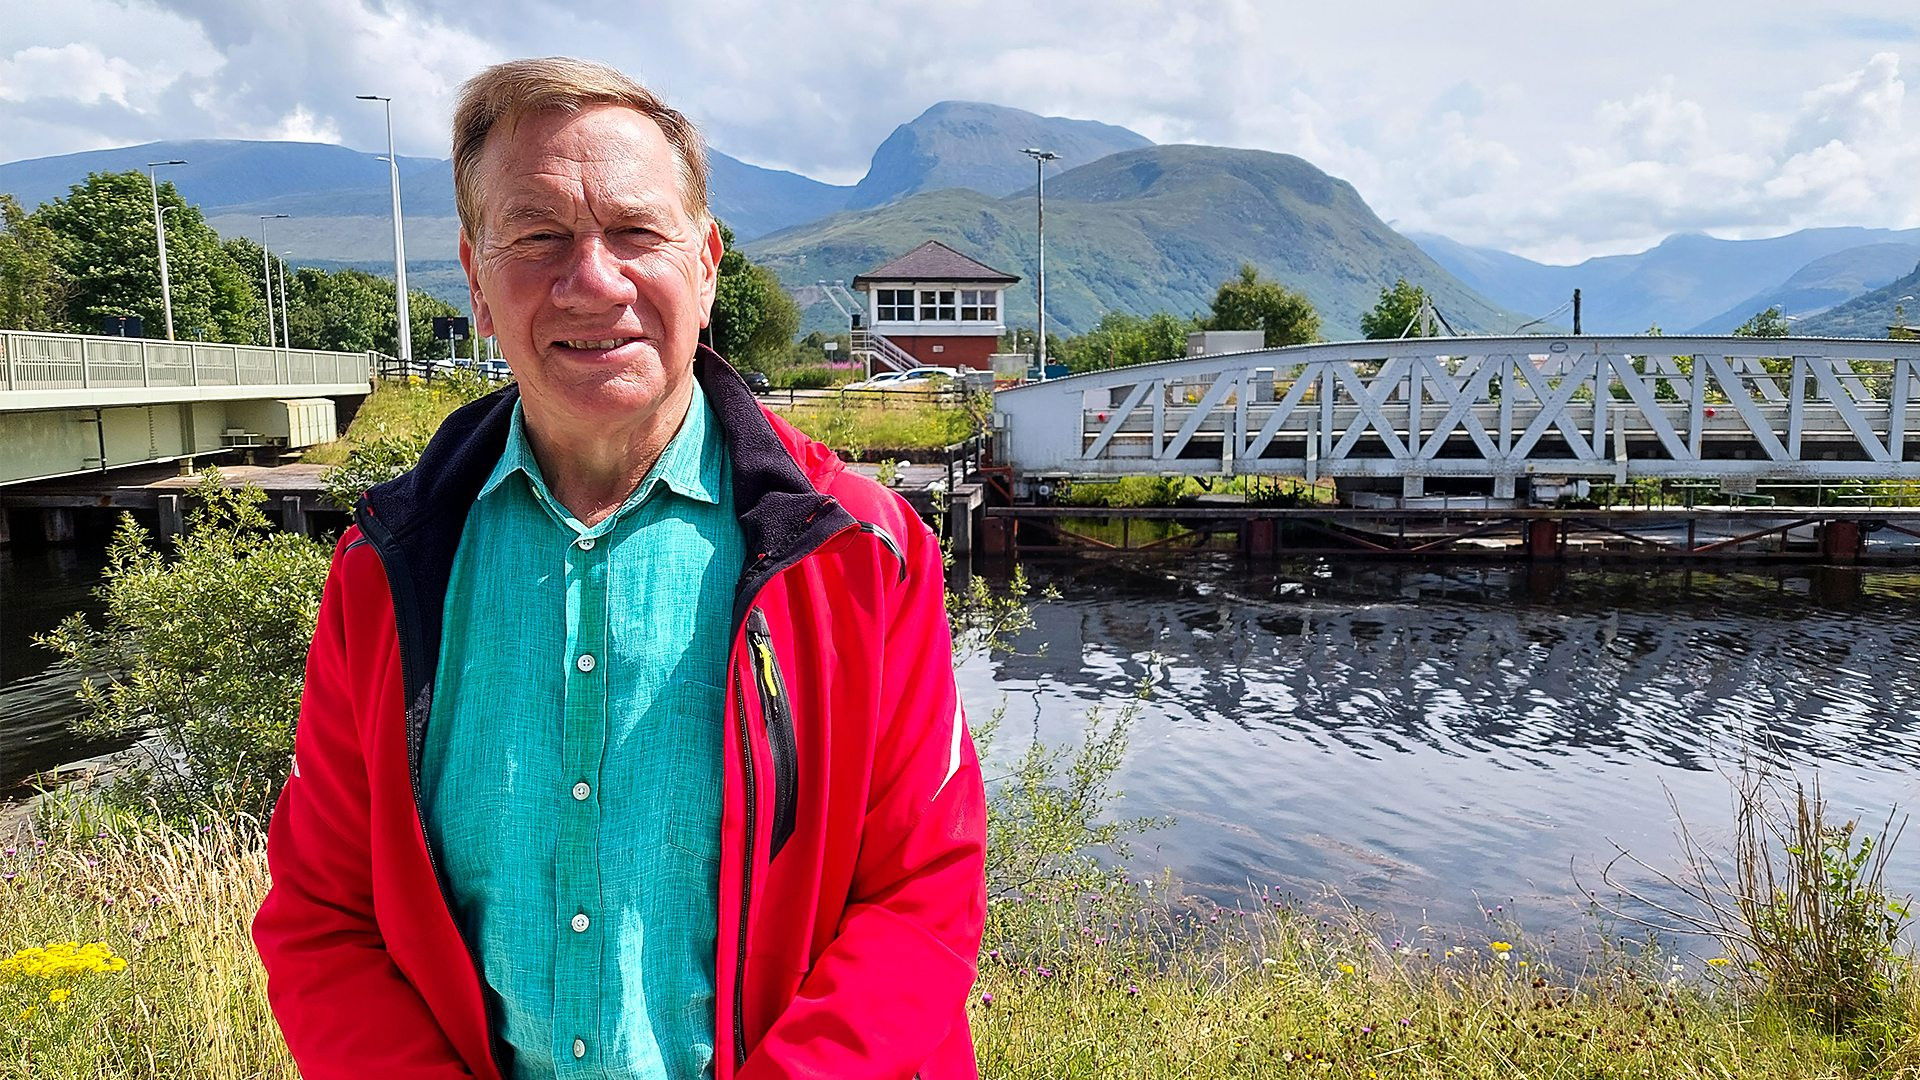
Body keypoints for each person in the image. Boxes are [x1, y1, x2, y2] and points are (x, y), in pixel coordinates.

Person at [252, 56, 986, 1080]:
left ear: (707, 264)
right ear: (474, 277)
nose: (593, 281)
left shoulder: (858, 550)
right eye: (538, 236)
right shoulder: (384, 567)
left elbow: (920, 895)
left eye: (636, 232)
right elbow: (324, 916)